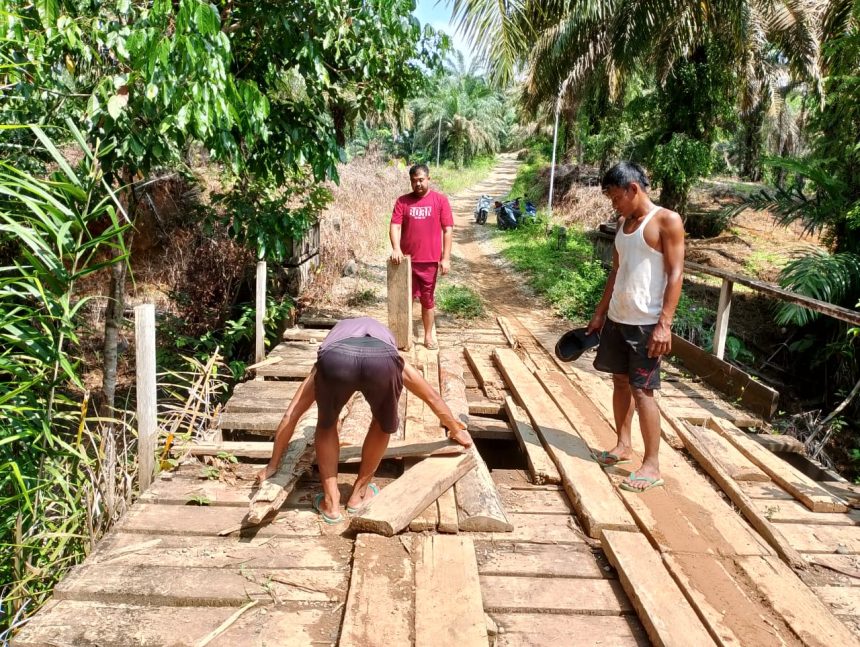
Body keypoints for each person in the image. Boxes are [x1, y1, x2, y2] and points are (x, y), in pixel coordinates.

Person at [256, 317, 473, 523]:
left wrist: (272, 465)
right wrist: (455, 429)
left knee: (326, 426)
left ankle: (331, 505)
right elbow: (431, 396)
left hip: (336, 359)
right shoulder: (392, 354)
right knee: (382, 423)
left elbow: (291, 413)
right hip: (382, 361)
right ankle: (358, 496)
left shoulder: (331, 347)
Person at [586, 162, 685, 492]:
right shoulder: (622, 223)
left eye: (616, 197)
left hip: (647, 324)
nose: (614, 204)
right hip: (618, 318)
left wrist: (664, 324)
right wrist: (600, 313)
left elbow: (675, 274)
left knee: (643, 391)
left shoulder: (666, 221)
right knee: (620, 382)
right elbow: (616, 271)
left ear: (633, 189)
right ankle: (623, 444)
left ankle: (652, 464)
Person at [390, 163, 454, 350]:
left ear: (428, 179)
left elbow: (447, 230)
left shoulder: (440, 201)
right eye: (414, 181)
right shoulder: (403, 201)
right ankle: (403, 337)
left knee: (428, 300)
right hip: (406, 262)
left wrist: (446, 258)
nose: (417, 184)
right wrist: (396, 248)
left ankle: (427, 336)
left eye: (421, 180)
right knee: (405, 300)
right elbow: (395, 225)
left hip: (429, 262)